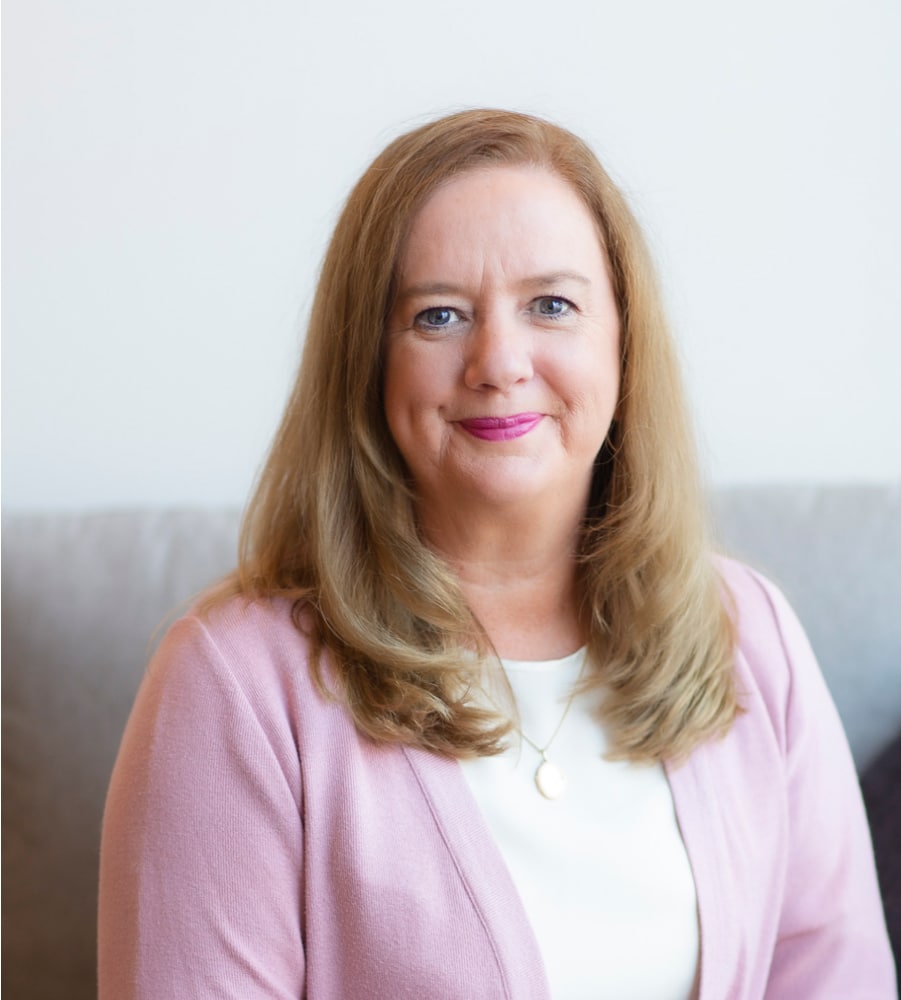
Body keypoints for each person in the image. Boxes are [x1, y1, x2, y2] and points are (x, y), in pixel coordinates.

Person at [98, 109, 896, 999]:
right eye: (437, 315)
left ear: (623, 342)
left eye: (551, 305)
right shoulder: (234, 681)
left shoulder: (749, 634)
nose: (498, 361)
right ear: (368, 362)